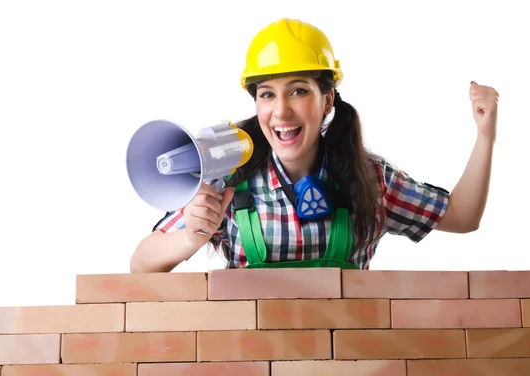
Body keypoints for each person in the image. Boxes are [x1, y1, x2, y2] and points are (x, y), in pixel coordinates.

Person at [130, 17, 499, 272]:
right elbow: (141, 264)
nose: (281, 110)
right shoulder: (228, 181)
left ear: (328, 99)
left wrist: (485, 134)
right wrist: (190, 238)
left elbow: (463, 217)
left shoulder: (372, 179)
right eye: (267, 94)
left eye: (299, 91)